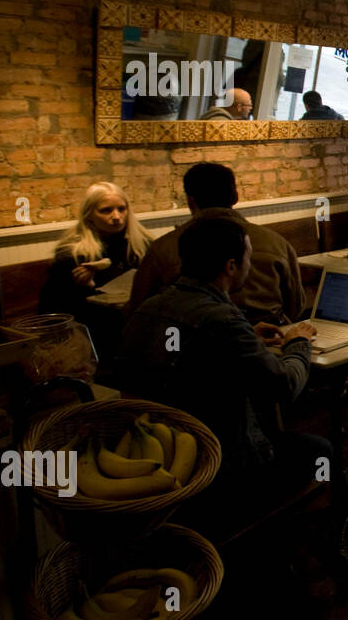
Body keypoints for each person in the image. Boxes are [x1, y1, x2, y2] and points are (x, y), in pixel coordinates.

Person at [119, 217, 327, 532]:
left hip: (163, 457)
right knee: (321, 449)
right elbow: (284, 386)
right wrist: (297, 343)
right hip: (226, 466)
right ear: (231, 266)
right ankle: (295, 532)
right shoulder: (223, 319)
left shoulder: (148, 308)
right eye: (248, 257)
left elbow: (191, 355)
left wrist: (250, 336)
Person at [127, 163, 305, 331]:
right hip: (272, 337)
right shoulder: (276, 243)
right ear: (235, 196)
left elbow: (138, 311)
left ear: (190, 201)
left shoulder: (163, 249)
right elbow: (295, 306)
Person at [40, 181, 153, 359]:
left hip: (137, 320)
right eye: (106, 210)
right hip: (95, 328)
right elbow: (55, 306)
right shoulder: (73, 252)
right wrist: (86, 287)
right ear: (89, 215)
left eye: (121, 209)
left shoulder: (142, 244)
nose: (116, 216)